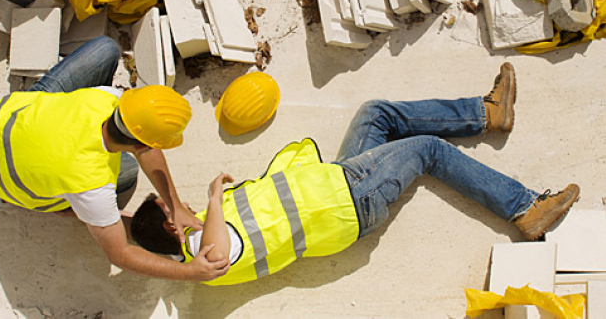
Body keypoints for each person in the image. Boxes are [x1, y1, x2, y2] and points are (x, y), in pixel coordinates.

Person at [130, 63, 580, 285]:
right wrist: (210, 199)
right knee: (427, 150)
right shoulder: (203, 254)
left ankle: (486, 113)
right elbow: (219, 252)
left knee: (375, 114)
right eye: (170, 204)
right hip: (352, 200)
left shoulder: (195, 240)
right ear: (172, 224)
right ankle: (524, 207)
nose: (179, 201)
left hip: (336, 183)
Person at [0, 36, 229, 281]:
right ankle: (67, 207)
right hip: (15, 184)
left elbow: (145, 145)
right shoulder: (92, 183)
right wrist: (190, 271)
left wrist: (174, 206)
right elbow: (119, 254)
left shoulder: (104, 98)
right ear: (139, 144)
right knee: (129, 171)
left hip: (12, 118)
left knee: (106, 49)